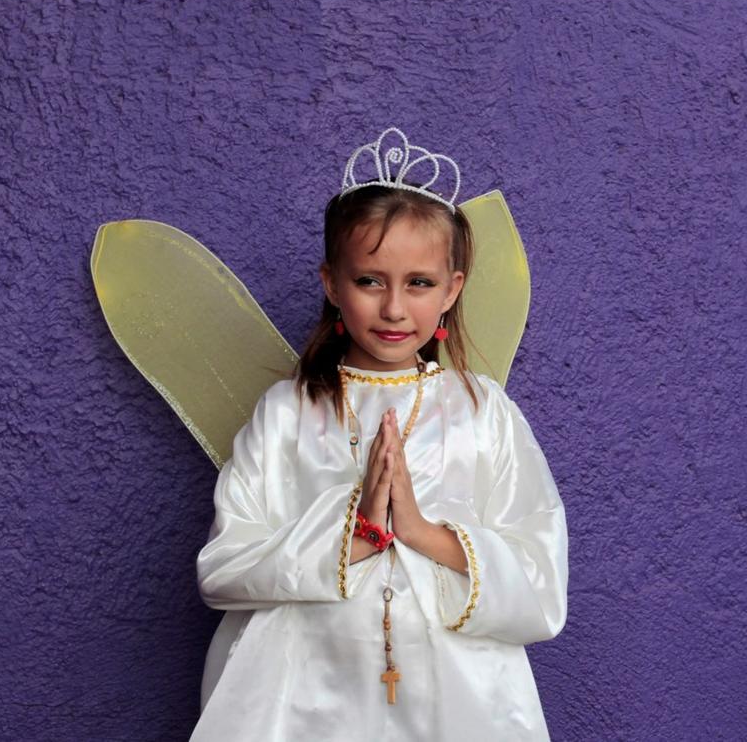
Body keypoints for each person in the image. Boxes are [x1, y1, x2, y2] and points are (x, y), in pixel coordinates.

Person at [189, 131, 568, 741]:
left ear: (452, 290)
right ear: (333, 284)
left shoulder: (482, 411)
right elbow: (224, 567)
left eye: (419, 282)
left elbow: (541, 581)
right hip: (305, 692)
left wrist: (420, 532)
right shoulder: (289, 411)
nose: (394, 308)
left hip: (457, 695)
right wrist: (358, 531)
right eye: (370, 280)